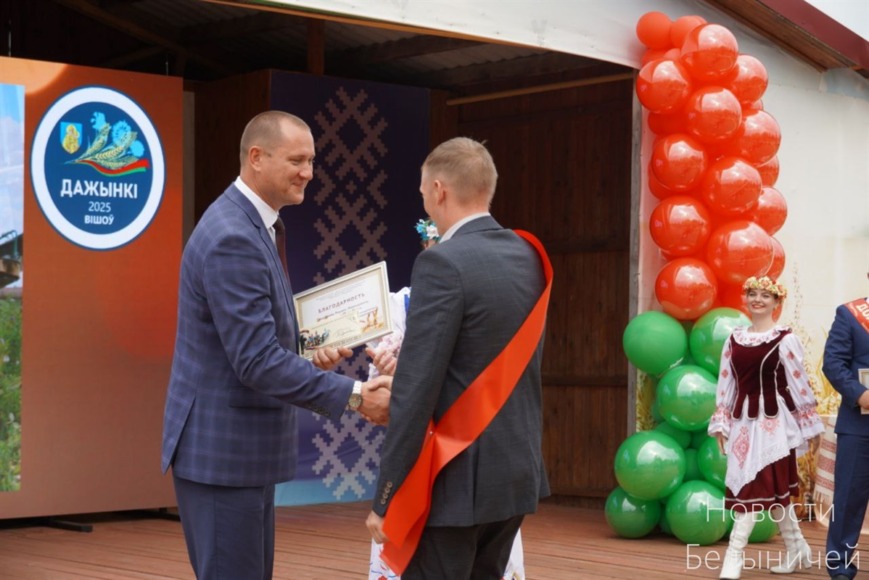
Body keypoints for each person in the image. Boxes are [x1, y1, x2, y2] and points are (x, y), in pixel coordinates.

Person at [161, 110, 391, 580]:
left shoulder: (252, 224)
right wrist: (355, 396)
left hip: (239, 456)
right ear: (256, 157)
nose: (309, 172)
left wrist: (306, 351)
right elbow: (255, 360)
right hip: (224, 457)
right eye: (297, 160)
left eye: (312, 160)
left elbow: (248, 342)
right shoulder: (233, 236)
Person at [366, 137, 551, 578]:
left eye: (422, 192)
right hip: (514, 474)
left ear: (438, 190)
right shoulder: (528, 253)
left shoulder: (442, 263)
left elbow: (417, 389)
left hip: (453, 482)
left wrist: (386, 496)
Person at [365, 219, 526, 580]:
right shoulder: (398, 305)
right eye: (434, 244)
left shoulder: (491, 294)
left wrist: (412, 377)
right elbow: (382, 401)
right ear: (425, 248)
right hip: (418, 448)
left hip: (476, 442)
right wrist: (392, 375)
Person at [708, 276, 824, 580]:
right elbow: (726, 383)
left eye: (765, 295)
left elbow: (798, 383)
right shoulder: (734, 340)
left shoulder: (785, 339)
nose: (757, 300)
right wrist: (721, 422)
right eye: (753, 294)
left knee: (757, 487)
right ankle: (797, 547)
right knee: (773, 491)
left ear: (776, 302)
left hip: (775, 427)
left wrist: (809, 426)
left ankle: (733, 555)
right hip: (744, 425)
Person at [823, 270, 869, 580]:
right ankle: (839, 565)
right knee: (849, 499)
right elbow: (833, 363)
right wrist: (860, 394)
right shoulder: (850, 314)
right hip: (859, 425)